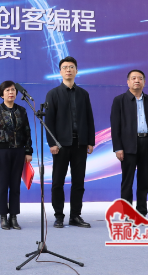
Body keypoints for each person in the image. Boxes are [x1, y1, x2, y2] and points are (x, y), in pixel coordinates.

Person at [44, 56, 95, 229]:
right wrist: (52, 143)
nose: (68, 70)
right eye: (65, 67)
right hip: (61, 145)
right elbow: (49, 121)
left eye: (71, 67)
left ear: (76, 71)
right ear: (60, 71)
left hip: (80, 144)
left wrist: (90, 141)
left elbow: (89, 118)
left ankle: (75, 216)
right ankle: (59, 216)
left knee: (78, 182)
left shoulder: (83, 94)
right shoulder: (53, 94)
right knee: (58, 182)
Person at [110, 70, 148, 216]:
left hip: (147, 144)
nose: (137, 80)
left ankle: (141, 212)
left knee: (144, 180)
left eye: (140, 78)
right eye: (133, 78)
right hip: (128, 146)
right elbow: (115, 126)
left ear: (144, 82)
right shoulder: (119, 100)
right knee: (128, 181)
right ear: (128, 82)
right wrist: (118, 147)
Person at [0, 81, 32, 230]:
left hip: (19, 151)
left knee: (15, 185)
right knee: (3, 184)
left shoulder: (22, 110)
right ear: (2, 94)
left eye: (13, 90)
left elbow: (27, 132)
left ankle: (13, 216)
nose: (11, 92)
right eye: (7, 90)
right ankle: (2, 216)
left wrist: (28, 151)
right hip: (2, 152)